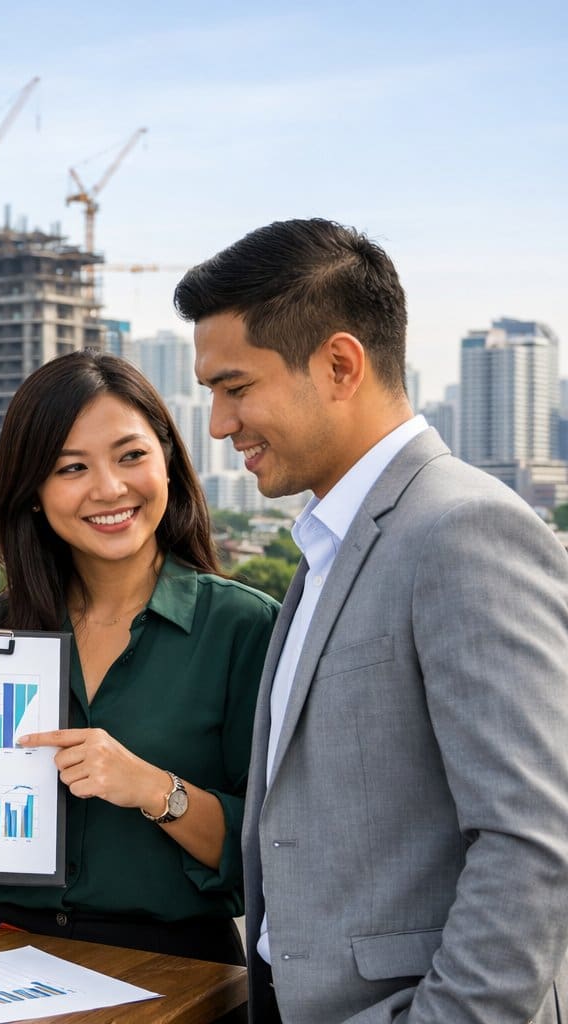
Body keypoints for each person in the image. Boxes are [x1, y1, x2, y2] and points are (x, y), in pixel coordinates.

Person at [180, 218, 568, 1022]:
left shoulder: (462, 531)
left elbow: (533, 843)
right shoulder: (331, 541)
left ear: (339, 364)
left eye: (236, 387)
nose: (218, 425)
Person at [0, 351, 276, 966]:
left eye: (131, 455)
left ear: (168, 459)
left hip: (176, 966)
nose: (109, 489)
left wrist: (149, 786)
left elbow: (269, 851)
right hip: (4, 950)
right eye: (72, 467)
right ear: (34, 492)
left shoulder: (243, 626)